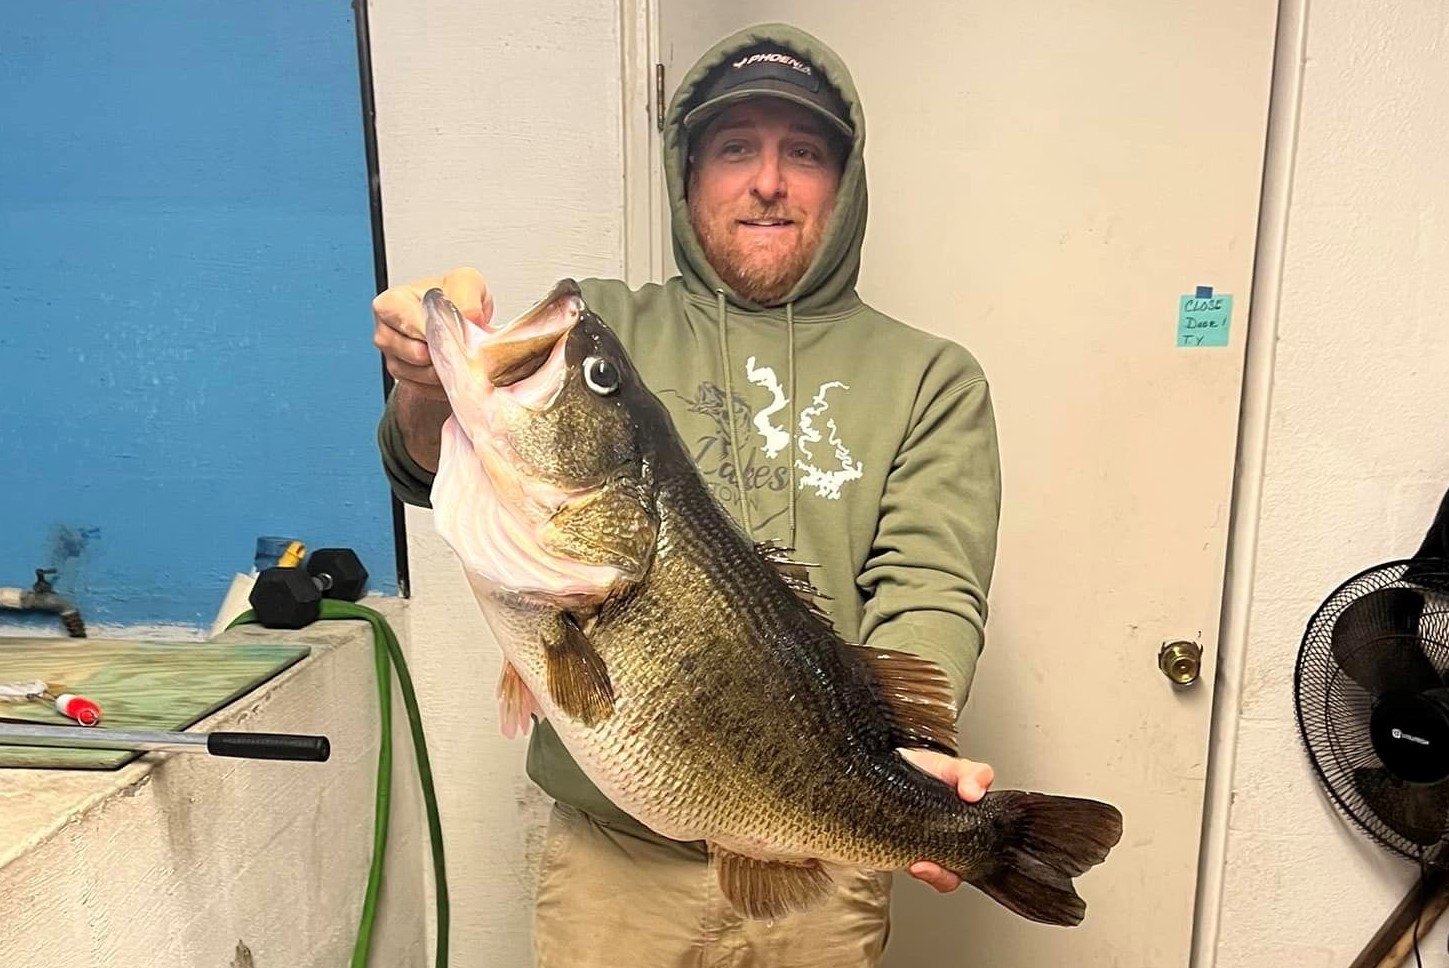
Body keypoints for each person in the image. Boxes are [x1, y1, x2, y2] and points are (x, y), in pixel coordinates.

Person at [372, 21, 1002, 968]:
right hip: (609, 864)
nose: (767, 181)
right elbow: (424, 469)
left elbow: (929, 581)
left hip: (817, 866)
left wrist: (907, 759)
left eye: (803, 153)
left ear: (845, 182)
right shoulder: (604, 331)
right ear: (689, 174)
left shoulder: (931, 377)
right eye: (734, 148)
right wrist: (424, 389)